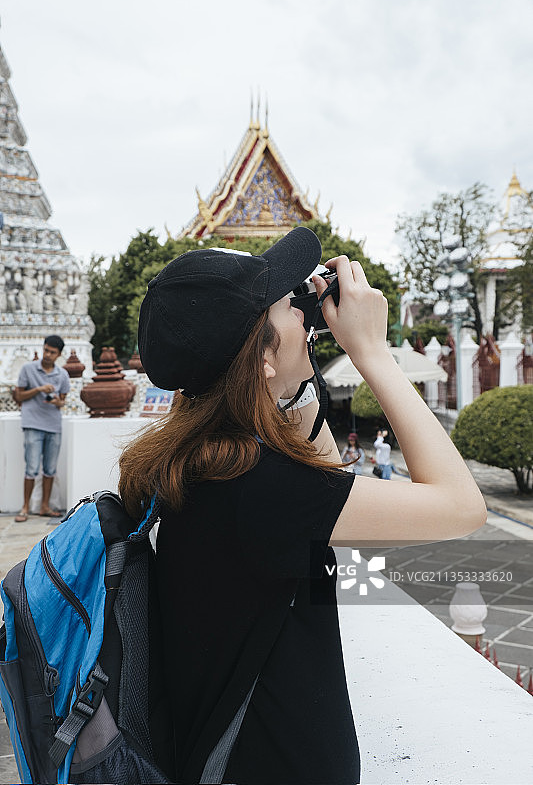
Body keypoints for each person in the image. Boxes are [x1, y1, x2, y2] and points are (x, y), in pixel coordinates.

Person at [118, 227, 486, 785]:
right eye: (290, 304)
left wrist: (294, 377)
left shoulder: (205, 458)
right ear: (261, 357)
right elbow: (462, 506)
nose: (307, 306)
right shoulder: (255, 487)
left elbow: (321, 477)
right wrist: (373, 354)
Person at [14, 335, 69, 521]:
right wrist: (38, 389)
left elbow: (62, 402)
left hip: (53, 425)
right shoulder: (28, 369)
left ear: (59, 354)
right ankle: (25, 507)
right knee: (31, 468)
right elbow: (19, 397)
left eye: (52, 352)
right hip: (32, 424)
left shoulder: (62, 375)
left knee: (50, 469)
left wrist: (56, 401)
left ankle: (44, 506)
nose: (47, 354)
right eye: (46, 350)